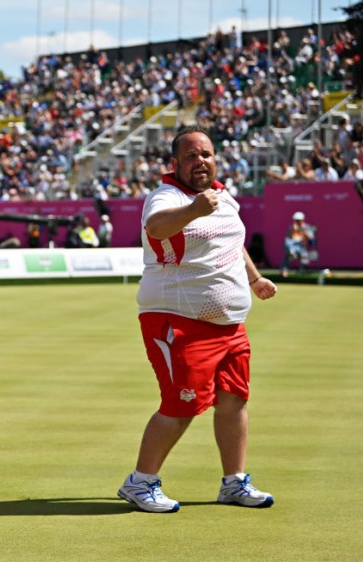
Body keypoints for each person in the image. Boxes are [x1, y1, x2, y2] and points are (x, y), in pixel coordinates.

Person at [117, 126, 277, 513]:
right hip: (177, 319)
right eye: (190, 156)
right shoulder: (167, 196)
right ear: (175, 163)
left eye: (205, 154)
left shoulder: (223, 196)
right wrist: (194, 210)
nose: (200, 161)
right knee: (182, 405)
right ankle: (140, 482)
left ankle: (234, 482)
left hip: (229, 324)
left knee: (234, 400)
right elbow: (156, 228)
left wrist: (255, 279)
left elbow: (233, 243)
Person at [281, 211, 316, 277]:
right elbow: (289, 239)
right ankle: (285, 270)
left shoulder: (307, 227)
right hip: (292, 247)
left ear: (302, 220)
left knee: (304, 254)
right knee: (287, 244)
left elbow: (312, 240)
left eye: (298, 220)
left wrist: (302, 231)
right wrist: (293, 231)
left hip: (302, 247)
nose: (296, 222)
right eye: (295, 220)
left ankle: (302, 270)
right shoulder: (291, 227)